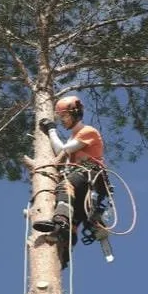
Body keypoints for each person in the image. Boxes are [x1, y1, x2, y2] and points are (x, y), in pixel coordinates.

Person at [30, 95, 110, 265]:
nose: (62, 121)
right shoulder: (72, 137)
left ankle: (60, 222)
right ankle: (65, 250)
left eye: (64, 116)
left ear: (75, 113)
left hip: (89, 176)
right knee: (75, 218)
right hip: (81, 183)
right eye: (60, 118)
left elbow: (62, 150)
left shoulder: (88, 132)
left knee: (65, 186)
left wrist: (51, 130)